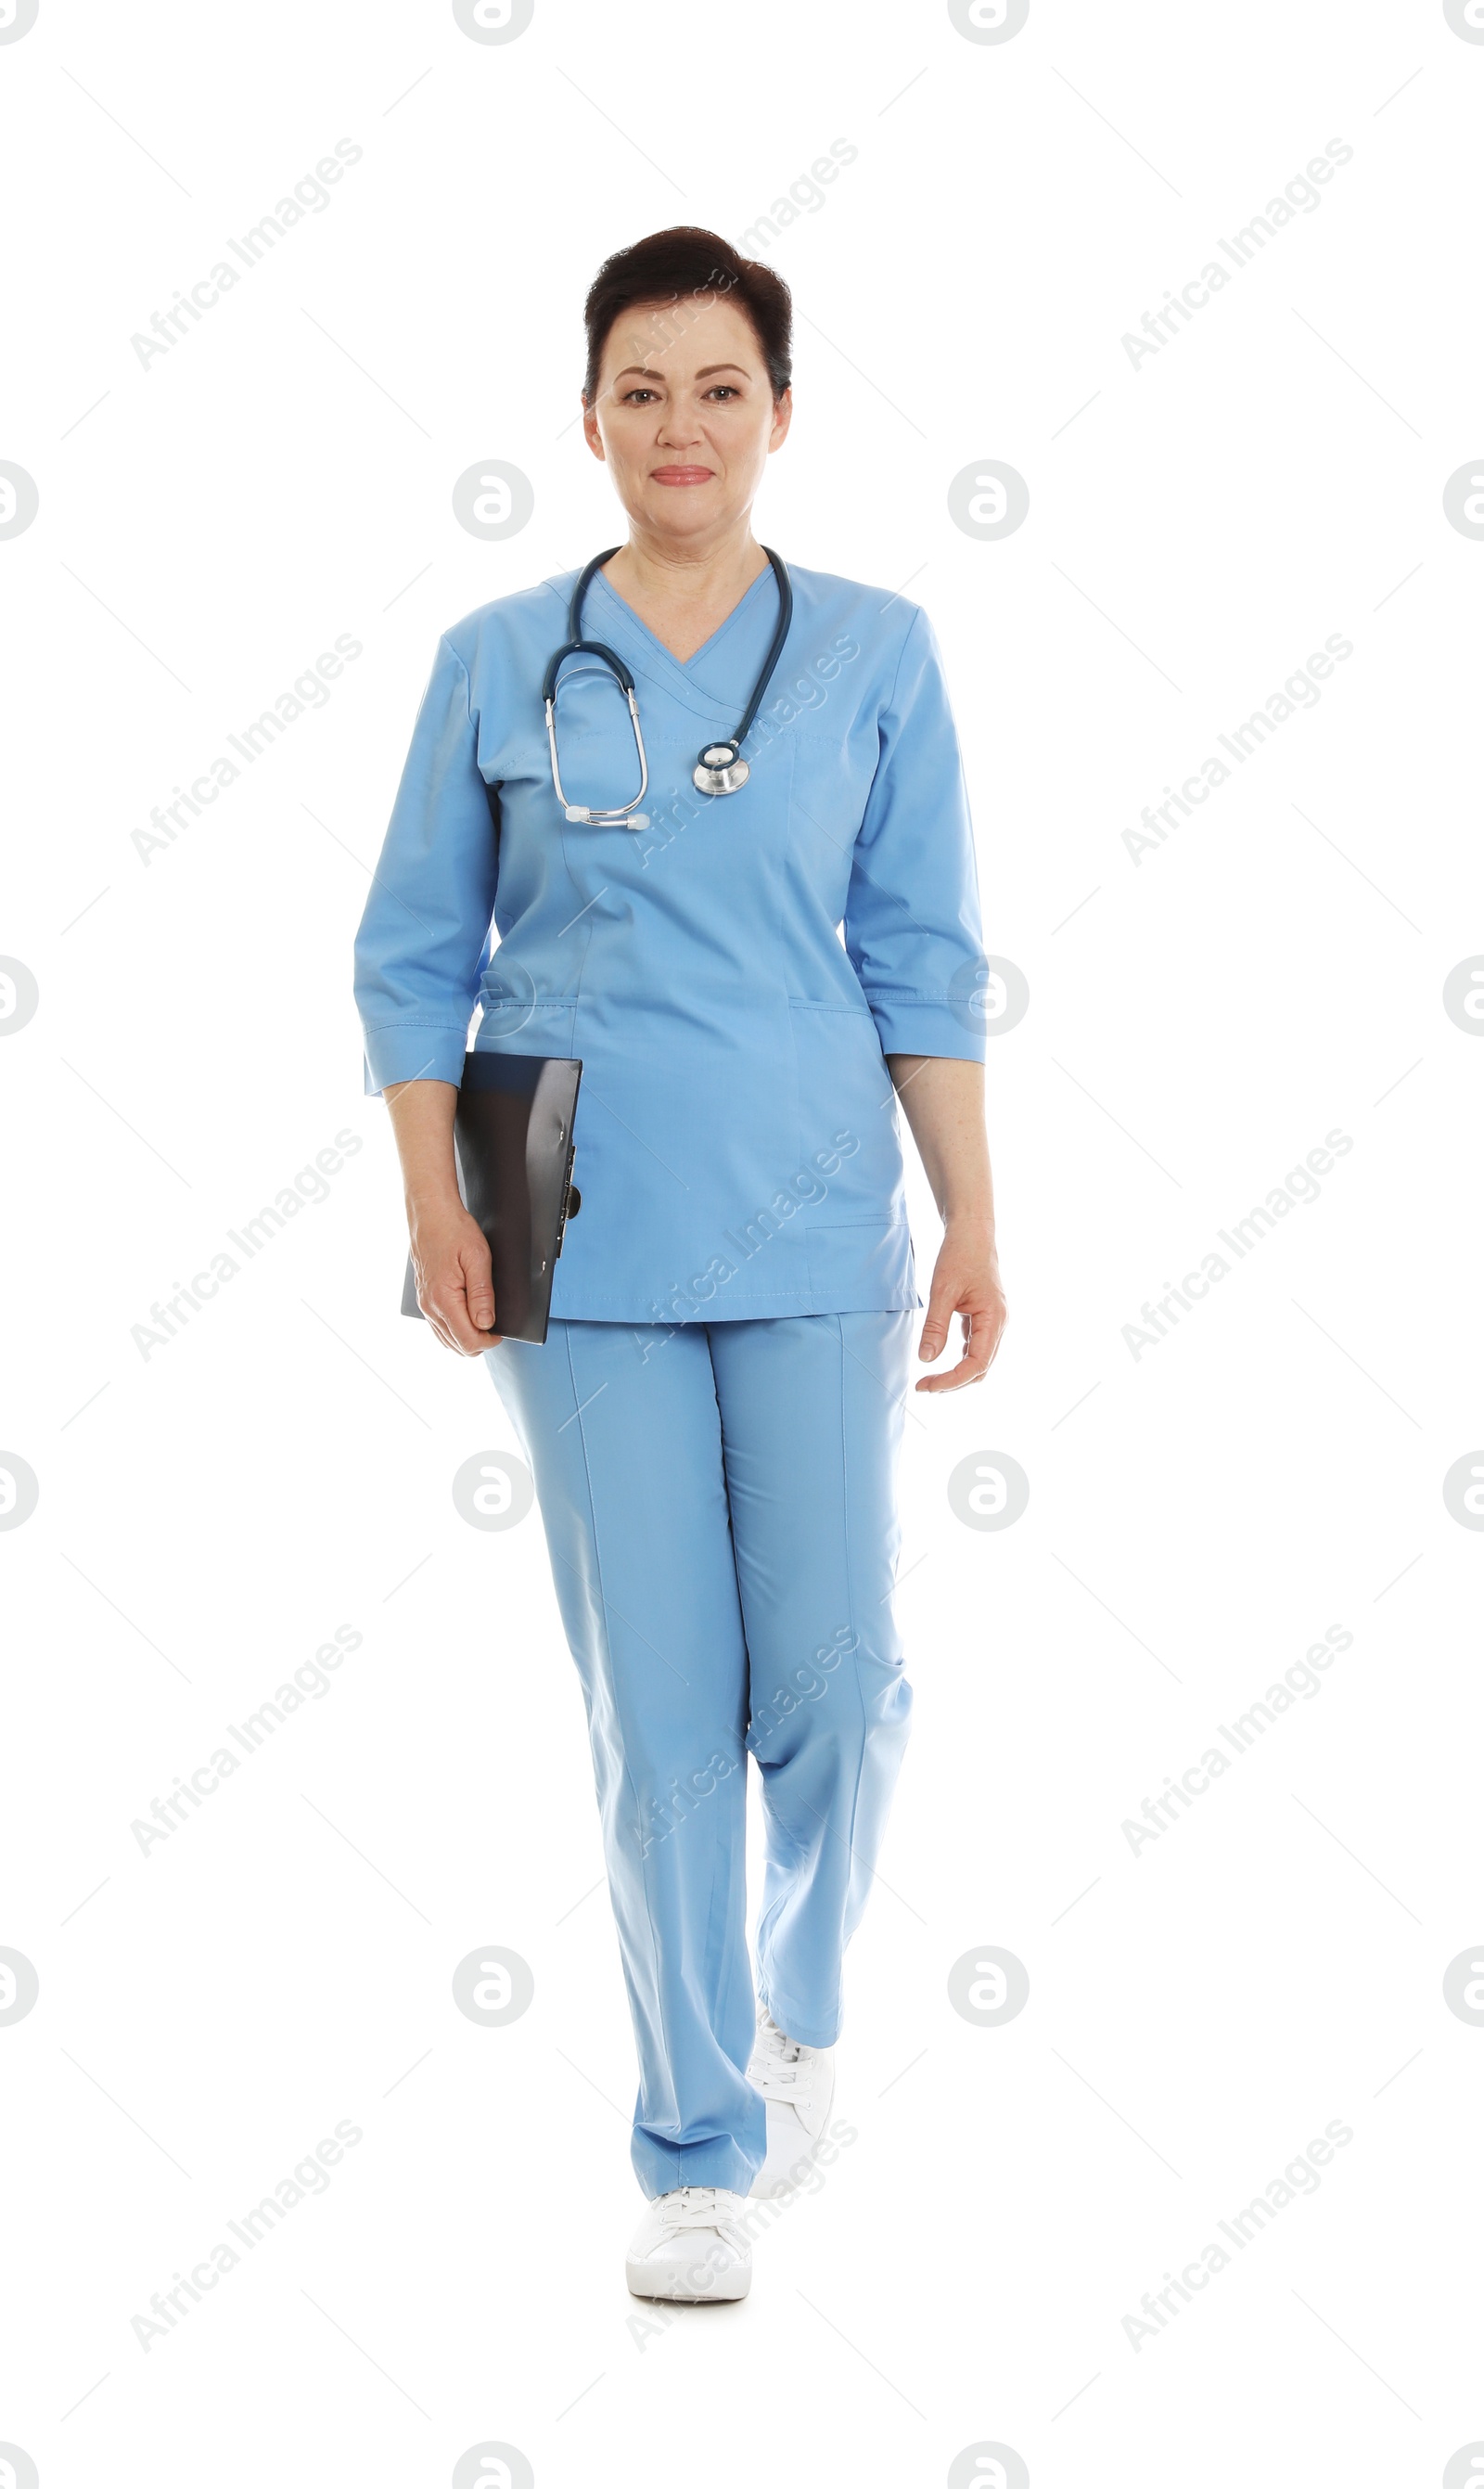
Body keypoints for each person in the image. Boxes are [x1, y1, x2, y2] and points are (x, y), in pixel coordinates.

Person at [352, 225, 1006, 2303]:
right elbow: (406, 958)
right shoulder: (492, 657)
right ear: (584, 419)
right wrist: (431, 1203)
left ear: (780, 414)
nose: (679, 426)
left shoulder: (875, 651)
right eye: (639, 389)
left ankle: (798, 2008)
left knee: (837, 1689)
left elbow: (915, 953)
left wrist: (973, 1207)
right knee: (661, 1714)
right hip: (575, 1229)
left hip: (813, 1208)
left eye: (718, 387)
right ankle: (693, 2145)